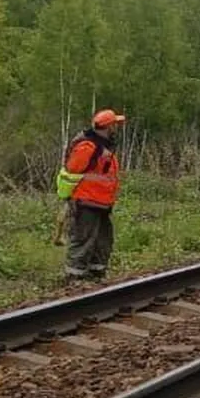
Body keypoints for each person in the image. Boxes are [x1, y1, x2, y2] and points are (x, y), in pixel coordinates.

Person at [57, 109, 126, 283]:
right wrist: (69, 198)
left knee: (103, 241)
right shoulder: (88, 147)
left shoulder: (103, 145)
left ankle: (96, 274)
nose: (116, 128)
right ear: (108, 127)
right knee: (83, 239)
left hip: (101, 202)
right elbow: (71, 172)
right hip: (87, 201)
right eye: (114, 125)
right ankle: (74, 277)